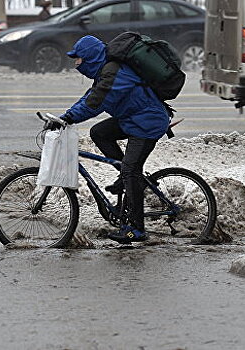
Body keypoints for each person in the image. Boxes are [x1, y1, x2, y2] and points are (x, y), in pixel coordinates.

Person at [58, 35, 170, 244]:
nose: (76, 63)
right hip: (133, 119)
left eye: (78, 58)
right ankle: (127, 176)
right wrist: (65, 116)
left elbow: (95, 103)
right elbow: (90, 95)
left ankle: (136, 229)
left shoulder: (114, 73)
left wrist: (71, 117)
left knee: (131, 169)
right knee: (99, 133)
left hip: (147, 123)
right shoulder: (105, 72)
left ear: (90, 57)